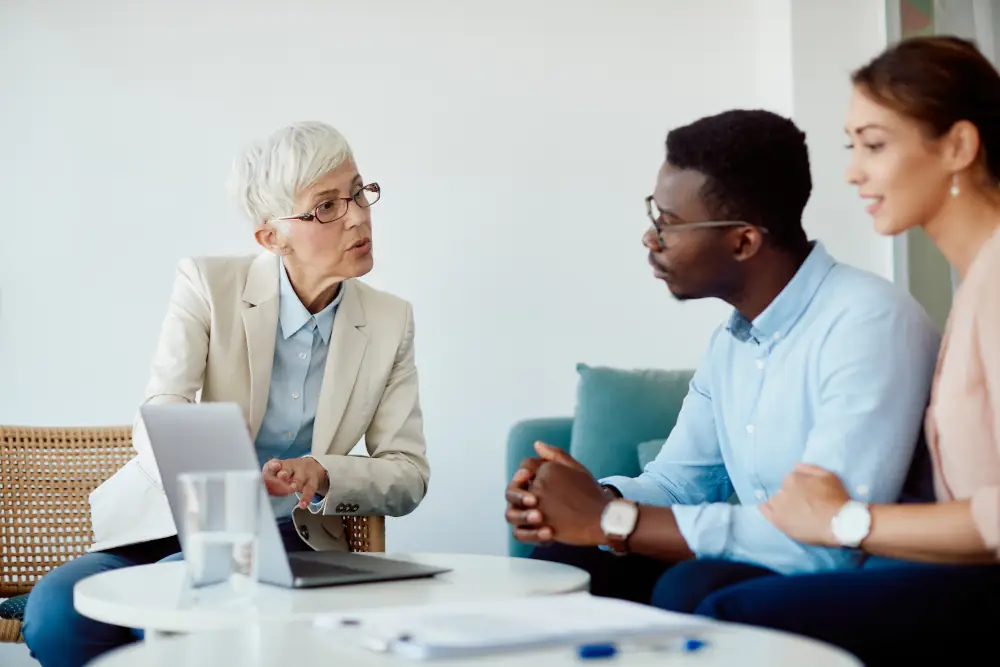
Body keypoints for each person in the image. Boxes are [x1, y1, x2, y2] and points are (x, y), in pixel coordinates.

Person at [22, 121, 431, 667]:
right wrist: (202, 440)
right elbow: (161, 405)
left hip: (289, 542)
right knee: (55, 612)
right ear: (271, 237)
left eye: (358, 192)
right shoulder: (206, 284)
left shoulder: (389, 320)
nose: (358, 216)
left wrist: (325, 471)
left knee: (184, 605)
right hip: (166, 525)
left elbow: (408, 473)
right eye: (326, 206)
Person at [504, 109, 941, 611]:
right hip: (782, 561)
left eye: (667, 224)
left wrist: (610, 519)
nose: (651, 238)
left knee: (691, 587)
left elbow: (827, 542)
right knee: (567, 558)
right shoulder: (731, 343)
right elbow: (678, 483)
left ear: (742, 241)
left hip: (871, 575)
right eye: (654, 215)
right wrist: (582, 501)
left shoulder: (868, 322)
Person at [687, 36, 1000, 667]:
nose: (854, 171)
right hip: (964, 573)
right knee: (711, 593)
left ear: (960, 147)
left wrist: (847, 522)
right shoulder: (975, 284)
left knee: (731, 618)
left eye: (876, 145)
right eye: (851, 146)